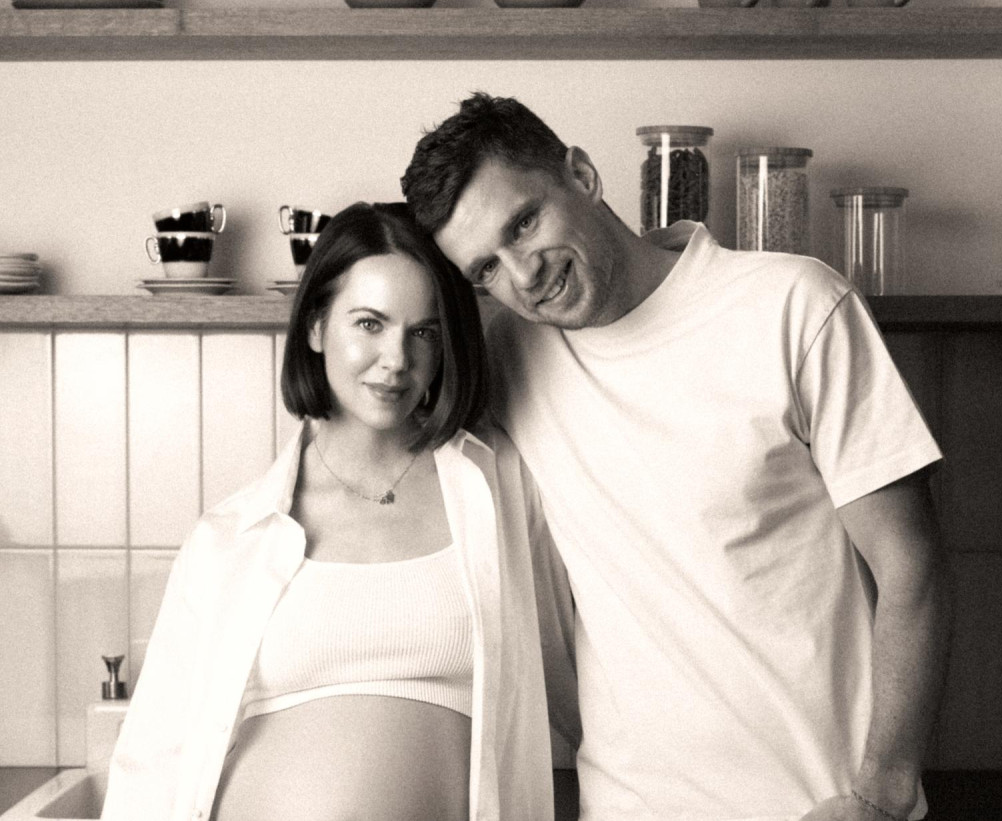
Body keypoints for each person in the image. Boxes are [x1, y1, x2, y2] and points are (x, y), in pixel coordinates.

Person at [401, 93, 954, 821]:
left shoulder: (792, 305)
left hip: (819, 805)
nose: (523, 275)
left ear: (582, 176)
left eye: (524, 223)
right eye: (486, 270)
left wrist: (883, 793)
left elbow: (912, 562)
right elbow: (384, 407)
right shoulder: (509, 357)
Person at [100, 201, 575, 821]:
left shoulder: (504, 493)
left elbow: (579, 691)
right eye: (370, 324)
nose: (396, 359)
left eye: (424, 332)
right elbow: (152, 760)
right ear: (317, 328)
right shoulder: (231, 537)